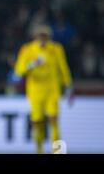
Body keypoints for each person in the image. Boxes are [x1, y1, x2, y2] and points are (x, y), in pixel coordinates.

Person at [14, 25, 73, 154]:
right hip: (35, 91)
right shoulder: (27, 50)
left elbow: (63, 67)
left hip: (52, 90)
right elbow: (19, 71)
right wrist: (32, 64)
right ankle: (39, 151)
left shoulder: (56, 49)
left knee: (54, 120)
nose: (43, 39)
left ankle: (57, 152)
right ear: (35, 37)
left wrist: (68, 85)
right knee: (37, 123)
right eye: (40, 36)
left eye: (45, 36)